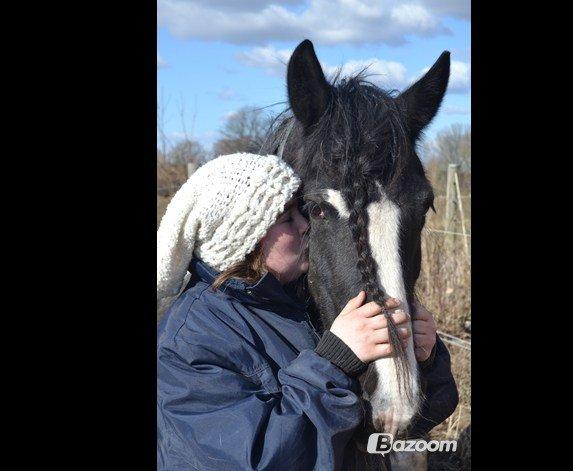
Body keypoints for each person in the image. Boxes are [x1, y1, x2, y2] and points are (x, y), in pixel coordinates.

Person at [157, 152, 458, 470]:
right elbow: (258, 460)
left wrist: (420, 361)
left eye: (303, 211)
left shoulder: (307, 300)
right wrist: (333, 366)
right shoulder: (190, 340)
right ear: (243, 240)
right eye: (287, 219)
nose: (306, 226)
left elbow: (388, 433)